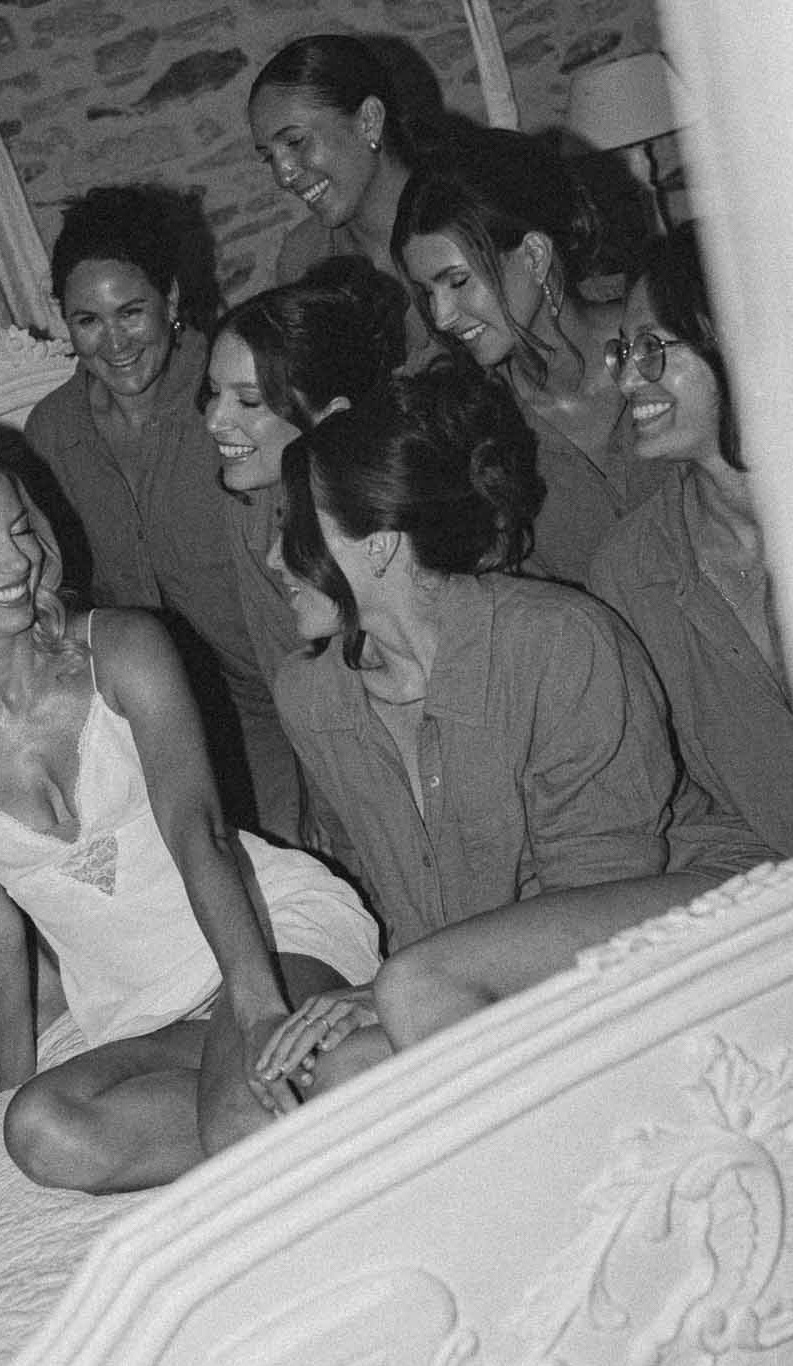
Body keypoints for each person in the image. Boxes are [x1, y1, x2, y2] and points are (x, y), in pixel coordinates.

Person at [0, 426, 384, 1194]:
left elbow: (196, 833)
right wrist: (10, 1080)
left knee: (240, 1121)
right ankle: (317, 1077)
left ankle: (266, 1080)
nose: (17, 561)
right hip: (141, 1013)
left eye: (20, 531)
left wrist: (260, 1004)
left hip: (266, 941)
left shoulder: (126, 647)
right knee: (40, 1133)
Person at [265, 368, 759, 965]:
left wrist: (416, 989)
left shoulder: (558, 644)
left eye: (292, 531)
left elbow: (597, 885)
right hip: (464, 977)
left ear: (379, 543)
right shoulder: (310, 695)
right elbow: (373, 888)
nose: (273, 558)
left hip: (687, 928)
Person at [23, 184, 298, 839]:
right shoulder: (51, 432)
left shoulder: (235, 390)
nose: (113, 343)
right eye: (87, 319)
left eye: (131, 312)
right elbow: (57, 587)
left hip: (285, 692)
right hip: (154, 711)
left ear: (171, 302)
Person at [588, 228, 792, 856]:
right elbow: (674, 800)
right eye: (623, 351)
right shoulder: (629, 572)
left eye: (651, 348)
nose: (627, 380)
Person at [392, 126, 661, 584]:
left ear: (535, 255)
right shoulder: (467, 423)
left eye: (457, 282)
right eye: (427, 292)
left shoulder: (670, 333)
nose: (441, 316)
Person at [203, 263, 409, 689]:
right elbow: (292, 674)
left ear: (333, 416)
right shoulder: (251, 507)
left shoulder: (392, 504)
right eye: (213, 392)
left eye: (249, 400)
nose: (215, 421)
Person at [248, 35, 420, 285]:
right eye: (268, 157)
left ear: (369, 121)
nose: (283, 176)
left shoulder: (472, 222)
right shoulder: (303, 261)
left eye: (295, 142)